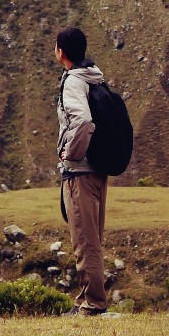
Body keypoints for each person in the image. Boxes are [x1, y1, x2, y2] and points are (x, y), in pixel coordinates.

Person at [55, 24, 107, 314]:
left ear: (60, 52)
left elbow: (84, 122)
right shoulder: (94, 77)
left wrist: (70, 154)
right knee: (92, 238)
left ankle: (93, 303)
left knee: (85, 240)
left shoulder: (74, 81)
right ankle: (89, 299)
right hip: (97, 169)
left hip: (80, 172)